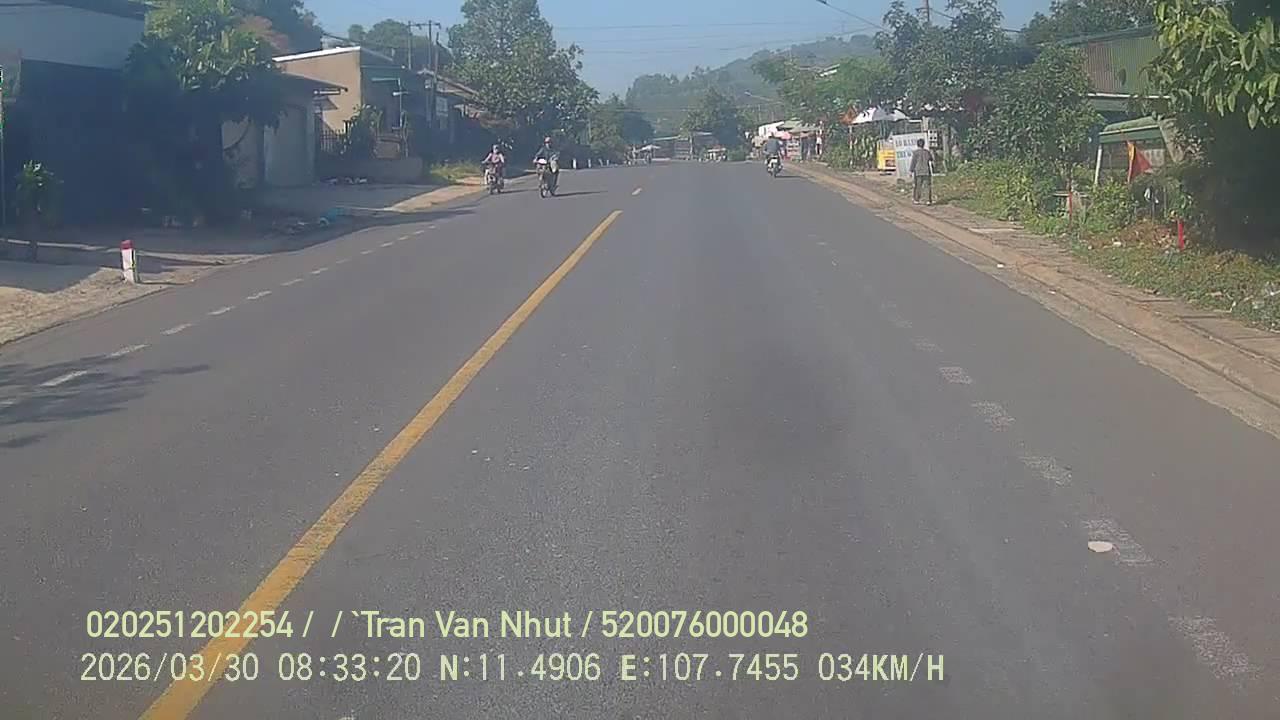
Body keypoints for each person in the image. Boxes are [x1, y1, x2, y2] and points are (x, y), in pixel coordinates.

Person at [909, 138, 935, 205]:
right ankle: (928, 200)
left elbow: (913, 162)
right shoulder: (927, 152)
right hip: (926, 171)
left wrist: (911, 171)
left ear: (917, 144)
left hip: (918, 171)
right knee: (927, 186)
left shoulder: (915, 153)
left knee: (918, 186)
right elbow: (931, 159)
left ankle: (917, 199)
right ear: (924, 144)